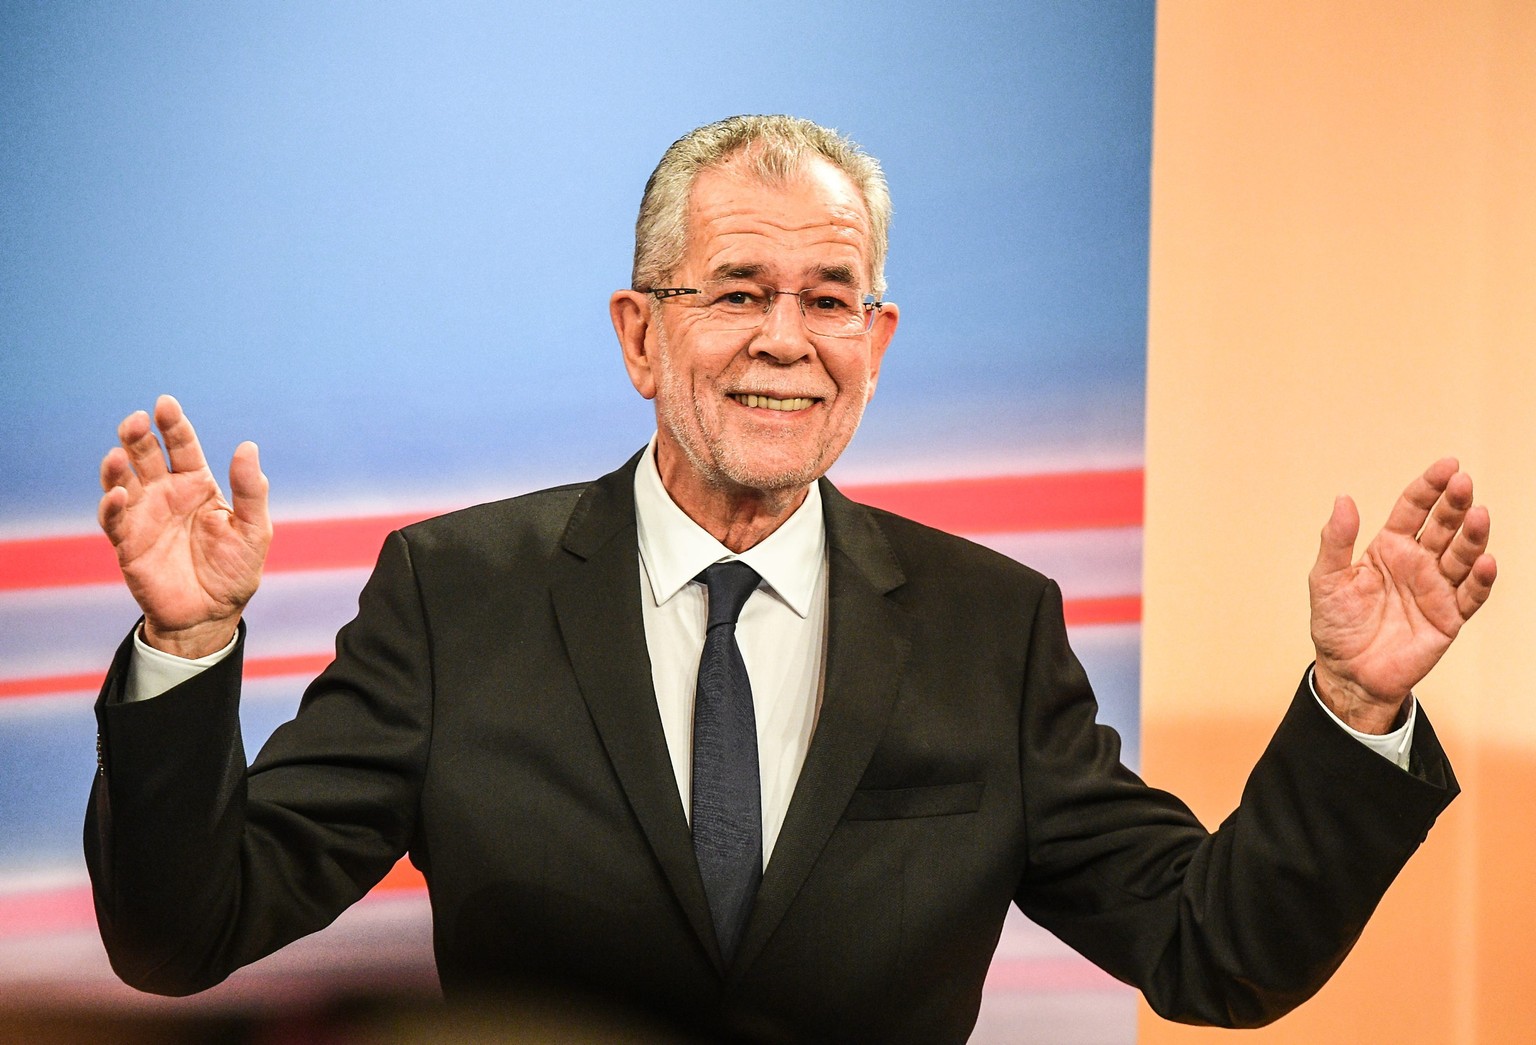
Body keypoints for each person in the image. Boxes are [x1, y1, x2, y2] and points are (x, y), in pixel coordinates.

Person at [88, 115, 1496, 1043]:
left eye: (829, 298)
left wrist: (1355, 705)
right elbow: (185, 931)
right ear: (641, 336)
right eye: (736, 290)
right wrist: (188, 637)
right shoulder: (456, 596)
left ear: (877, 340)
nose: (786, 336)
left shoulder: (989, 627)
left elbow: (1217, 950)